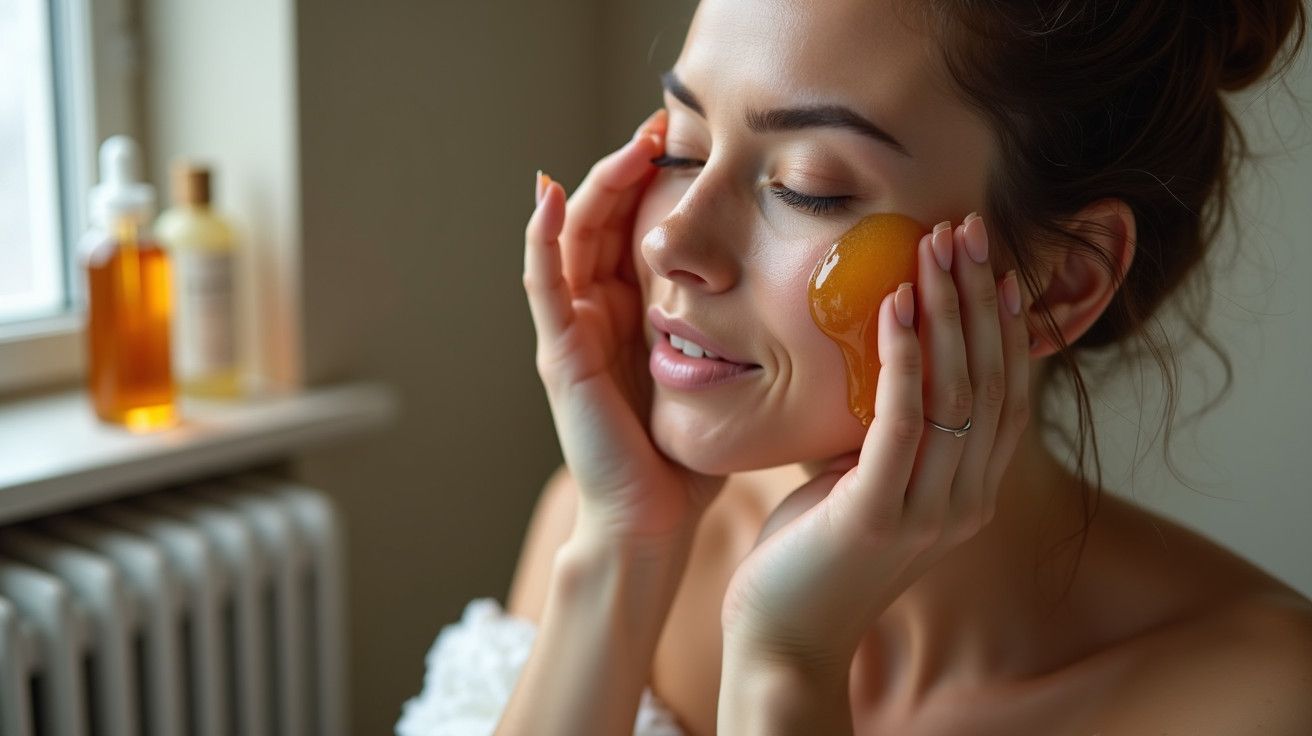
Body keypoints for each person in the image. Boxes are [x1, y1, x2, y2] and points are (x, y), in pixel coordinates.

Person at [397, 0, 1312, 733]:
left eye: (808, 187)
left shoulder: (1258, 699)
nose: (672, 238)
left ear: (1060, 282)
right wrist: (621, 556)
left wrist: (786, 668)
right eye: (680, 147)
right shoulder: (599, 526)